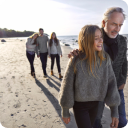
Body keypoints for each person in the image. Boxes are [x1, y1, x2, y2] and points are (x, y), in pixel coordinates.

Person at [68, 7, 127, 128]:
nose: (117, 29)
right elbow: (84, 49)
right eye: (114, 24)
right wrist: (76, 51)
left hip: (116, 87)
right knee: (96, 121)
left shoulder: (122, 41)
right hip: (96, 89)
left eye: (120, 25)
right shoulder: (94, 37)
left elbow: (124, 62)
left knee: (122, 122)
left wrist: (123, 79)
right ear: (104, 22)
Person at [58, 25, 120, 128]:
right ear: (86, 40)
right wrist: (65, 109)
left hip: (96, 104)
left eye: (101, 37)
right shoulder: (76, 60)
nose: (100, 40)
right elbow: (67, 85)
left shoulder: (105, 58)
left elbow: (111, 83)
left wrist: (114, 110)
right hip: (80, 106)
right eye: (96, 38)